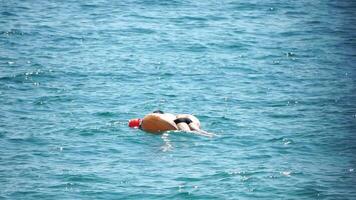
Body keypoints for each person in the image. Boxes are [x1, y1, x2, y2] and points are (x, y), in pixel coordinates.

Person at [128, 110, 214, 137]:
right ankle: (208, 134)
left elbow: (165, 135)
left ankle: (207, 135)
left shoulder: (152, 121)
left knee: (188, 133)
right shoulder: (170, 116)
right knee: (197, 130)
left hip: (177, 124)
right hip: (184, 118)